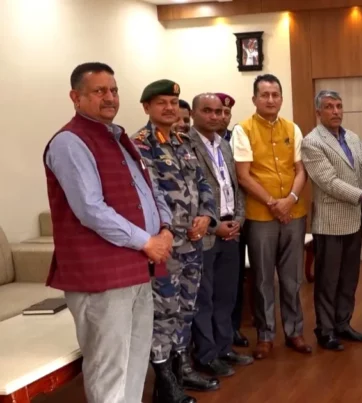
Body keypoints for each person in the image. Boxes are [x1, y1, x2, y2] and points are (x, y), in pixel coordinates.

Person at [44, 62, 173, 403]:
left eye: (113, 90)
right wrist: (147, 241)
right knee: (109, 368)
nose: (110, 97)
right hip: (101, 276)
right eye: (99, 91)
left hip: (138, 268)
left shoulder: (118, 138)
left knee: (134, 361)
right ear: (75, 97)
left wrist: (165, 229)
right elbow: (90, 209)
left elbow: (149, 191)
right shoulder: (70, 142)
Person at [132, 79, 220, 400]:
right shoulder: (140, 146)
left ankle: (181, 367)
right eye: (161, 103)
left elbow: (204, 184)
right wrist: (170, 229)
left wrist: (207, 216)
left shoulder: (184, 142)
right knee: (164, 311)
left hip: (193, 243)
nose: (169, 108)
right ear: (147, 107)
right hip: (164, 247)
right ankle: (164, 379)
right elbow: (148, 195)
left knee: (186, 308)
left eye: (173, 102)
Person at [232, 74, 313, 359]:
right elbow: (243, 176)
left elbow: (301, 170)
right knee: (263, 278)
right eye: (264, 95)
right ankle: (265, 335)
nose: (270, 99)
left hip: (294, 213)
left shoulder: (292, 128)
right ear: (254, 99)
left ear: (281, 98)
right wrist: (272, 203)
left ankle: (294, 331)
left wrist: (290, 200)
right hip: (260, 216)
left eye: (275, 94)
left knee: (292, 278)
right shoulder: (243, 130)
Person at [301, 90, 362, 351]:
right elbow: (328, 182)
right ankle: (325, 330)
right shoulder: (312, 142)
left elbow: (360, 173)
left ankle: (343, 323)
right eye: (329, 107)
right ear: (318, 112)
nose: (336, 111)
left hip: (354, 219)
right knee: (328, 280)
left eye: (338, 106)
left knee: (349, 277)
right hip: (330, 222)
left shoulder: (352, 137)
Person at [189, 93, 254, 378]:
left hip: (232, 230)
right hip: (205, 233)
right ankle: (206, 355)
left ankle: (225, 348)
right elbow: (189, 196)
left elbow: (237, 188)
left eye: (219, 111)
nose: (214, 116)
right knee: (204, 298)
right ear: (194, 113)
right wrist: (215, 226)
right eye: (207, 111)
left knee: (227, 295)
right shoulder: (185, 145)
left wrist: (238, 220)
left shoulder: (225, 145)